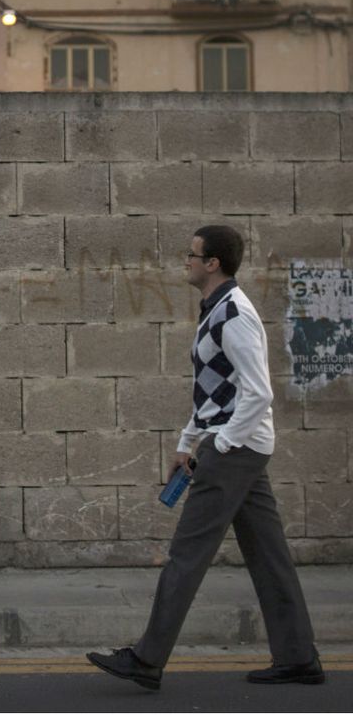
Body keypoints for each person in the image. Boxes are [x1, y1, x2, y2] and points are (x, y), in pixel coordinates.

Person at [86, 225, 323, 691]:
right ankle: (298, 658)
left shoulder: (234, 314)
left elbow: (259, 393)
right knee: (269, 556)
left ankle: (147, 658)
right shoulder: (216, 309)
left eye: (191, 254)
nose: (185, 261)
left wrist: (221, 444)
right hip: (240, 447)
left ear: (213, 263)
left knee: (186, 555)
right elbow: (215, 390)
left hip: (235, 451)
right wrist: (186, 441)